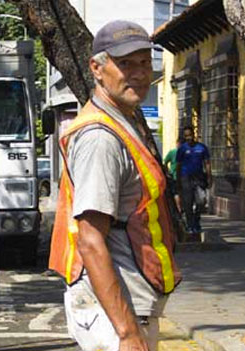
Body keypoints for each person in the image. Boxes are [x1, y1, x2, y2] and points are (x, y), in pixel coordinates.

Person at [49, 20, 181, 351]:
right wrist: (127, 332)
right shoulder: (100, 138)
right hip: (117, 314)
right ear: (97, 68)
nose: (138, 73)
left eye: (144, 63)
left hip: (127, 306)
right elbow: (91, 241)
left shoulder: (121, 122)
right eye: (125, 64)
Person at [176, 126, 211, 235]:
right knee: (188, 203)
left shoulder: (202, 148)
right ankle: (190, 224)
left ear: (194, 134)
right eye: (186, 136)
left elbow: (207, 163)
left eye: (190, 135)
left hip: (199, 177)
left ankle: (196, 219)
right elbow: (178, 165)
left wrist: (209, 177)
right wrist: (178, 180)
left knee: (201, 201)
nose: (188, 138)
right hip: (186, 177)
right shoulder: (182, 149)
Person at [163, 138, 183, 213]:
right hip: (182, 176)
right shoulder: (184, 153)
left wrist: (167, 172)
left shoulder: (172, 152)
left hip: (175, 176)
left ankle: (179, 208)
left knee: (176, 193)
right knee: (179, 192)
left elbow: (165, 162)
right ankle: (180, 208)